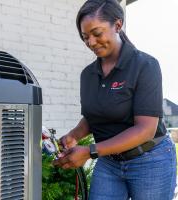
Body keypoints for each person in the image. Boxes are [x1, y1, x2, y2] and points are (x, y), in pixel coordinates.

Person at [53, 0, 177, 199]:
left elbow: (146, 129)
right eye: (85, 37)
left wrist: (90, 151)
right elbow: (94, 116)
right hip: (109, 162)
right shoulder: (88, 74)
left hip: (150, 160)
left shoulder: (145, 66)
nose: (91, 42)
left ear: (118, 25)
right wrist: (74, 135)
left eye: (97, 33)